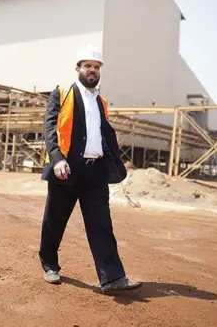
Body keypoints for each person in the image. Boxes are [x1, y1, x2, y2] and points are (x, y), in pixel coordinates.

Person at [38, 45, 142, 293]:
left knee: (101, 224)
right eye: (88, 66)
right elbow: (51, 128)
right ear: (78, 69)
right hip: (67, 169)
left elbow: (104, 135)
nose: (92, 70)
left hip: (95, 173)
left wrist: (114, 164)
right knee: (55, 220)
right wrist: (57, 159)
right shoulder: (62, 93)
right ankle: (50, 265)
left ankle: (112, 278)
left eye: (96, 67)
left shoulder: (101, 101)